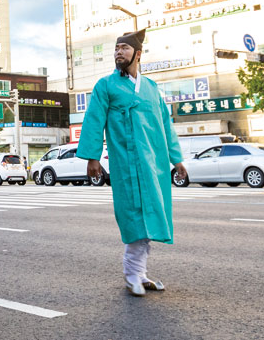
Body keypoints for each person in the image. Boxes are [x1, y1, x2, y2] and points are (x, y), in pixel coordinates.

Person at [78, 29, 187, 297]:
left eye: (125, 48)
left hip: (155, 165)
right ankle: (132, 275)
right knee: (132, 217)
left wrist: (177, 159)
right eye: (116, 48)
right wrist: (93, 158)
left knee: (150, 216)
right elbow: (94, 120)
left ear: (138, 54)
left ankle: (140, 273)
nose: (118, 52)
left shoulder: (151, 88)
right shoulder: (106, 86)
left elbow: (165, 125)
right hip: (126, 163)